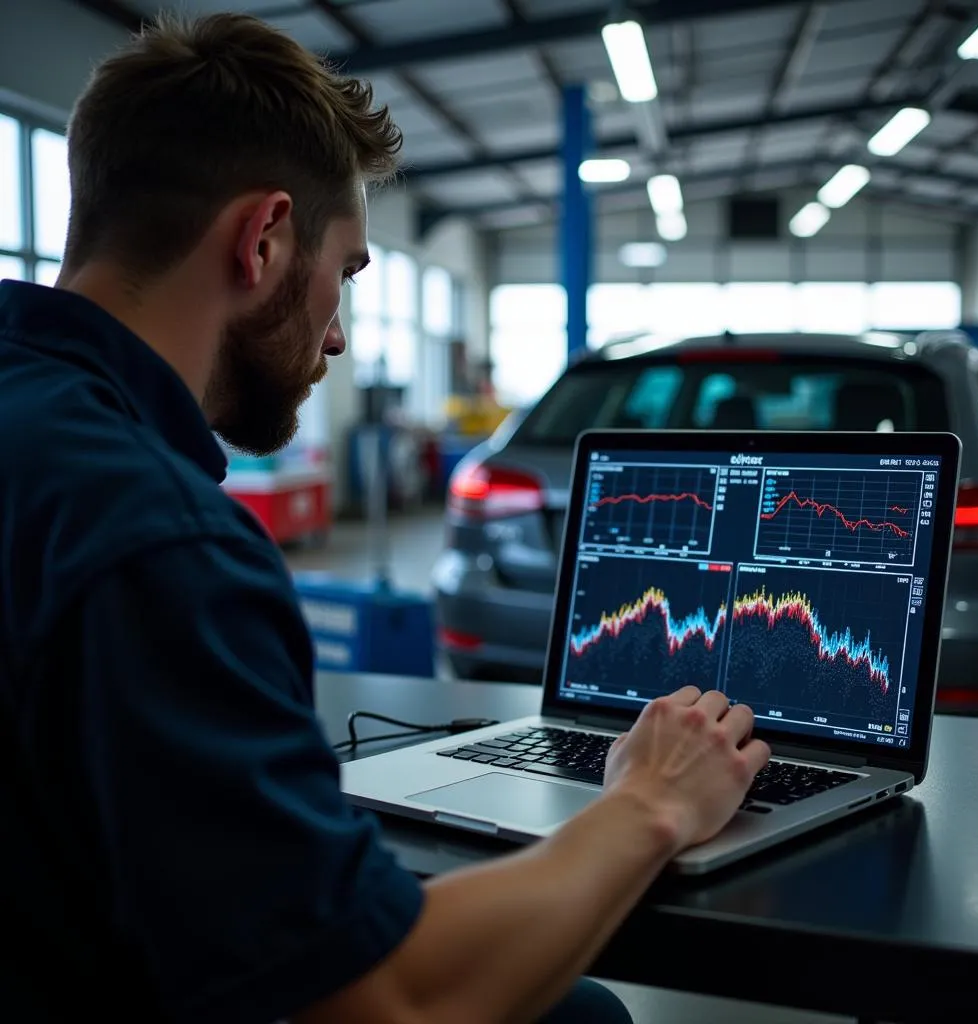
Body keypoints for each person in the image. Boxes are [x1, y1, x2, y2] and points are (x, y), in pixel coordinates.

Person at [0, 13, 771, 1024]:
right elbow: (390, 1005)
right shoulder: (161, 538)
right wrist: (649, 800)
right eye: (348, 274)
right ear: (264, 238)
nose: (337, 334)